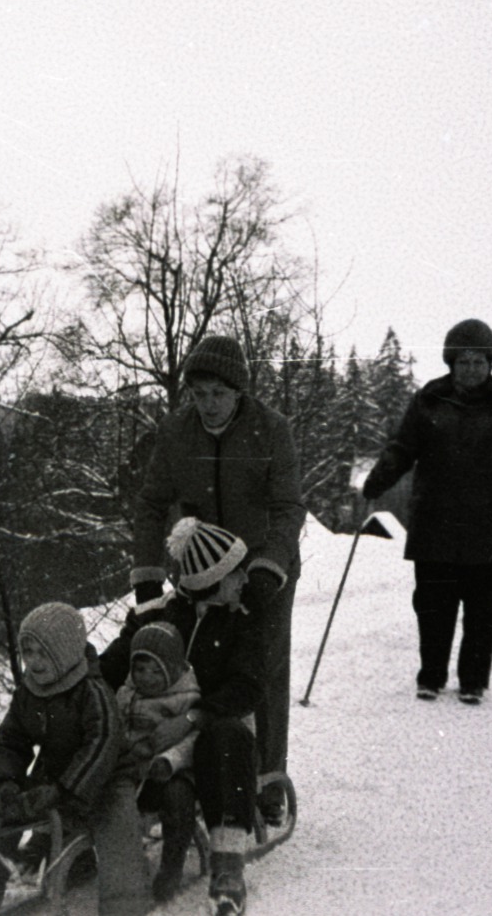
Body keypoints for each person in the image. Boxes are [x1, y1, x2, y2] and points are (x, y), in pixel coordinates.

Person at [130, 334, 305, 826]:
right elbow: (150, 503)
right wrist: (147, 579)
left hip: (263, 572)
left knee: (260, 672)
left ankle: (266, 779)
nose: (207, 404)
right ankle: (201, 773)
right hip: (201, 570)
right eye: (198, 393)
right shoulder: (176, 432)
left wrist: (269, 568)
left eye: (218, 394)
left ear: (239, 392)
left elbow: (288, 507)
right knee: (195, 667)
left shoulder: (271, 430)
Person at [360, 318, 492, 705]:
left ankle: (473, 681)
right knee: (432, 607)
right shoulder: (427, 402)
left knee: (483, 611)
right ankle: (430, 676)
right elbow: (402, 449)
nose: (471, 369)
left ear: (491, 363)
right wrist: (377, 481)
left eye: (479, 361)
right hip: (436, 525)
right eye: (463, 361)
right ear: (451, 363)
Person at [0, 602, 149, 916]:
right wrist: (7, 781)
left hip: (107, 777)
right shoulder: (28, 693)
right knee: (1, 813)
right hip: (54, 775)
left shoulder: (92, 692)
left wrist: (65, 790)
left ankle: (124, 905)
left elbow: (102, 743)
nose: (33, 662)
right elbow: (12, 741)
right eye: (27, 652)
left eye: (43, 653)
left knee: (115, 824)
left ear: (66, 652)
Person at [103, 517, 266, 916]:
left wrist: (193, 717)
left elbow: (247, 687)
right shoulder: (158, 614)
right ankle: (87, 839)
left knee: (224, 738)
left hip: (214, 731)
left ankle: (227, 866)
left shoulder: (241, 621)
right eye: (235, 573)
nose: (244, 580)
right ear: (212, 579)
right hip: (151, 731)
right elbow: (111, 665)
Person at [114, 621, 201, 905]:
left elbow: (194, 740)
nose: (146, 678)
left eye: (155, 670)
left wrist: (169, 760)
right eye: (139, 669)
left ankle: (171, 867)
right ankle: (97, 856)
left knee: (177, 800)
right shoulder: (125, 695)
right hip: (132, 770)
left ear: (173, 669)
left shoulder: (185, 699)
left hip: (171, 772)